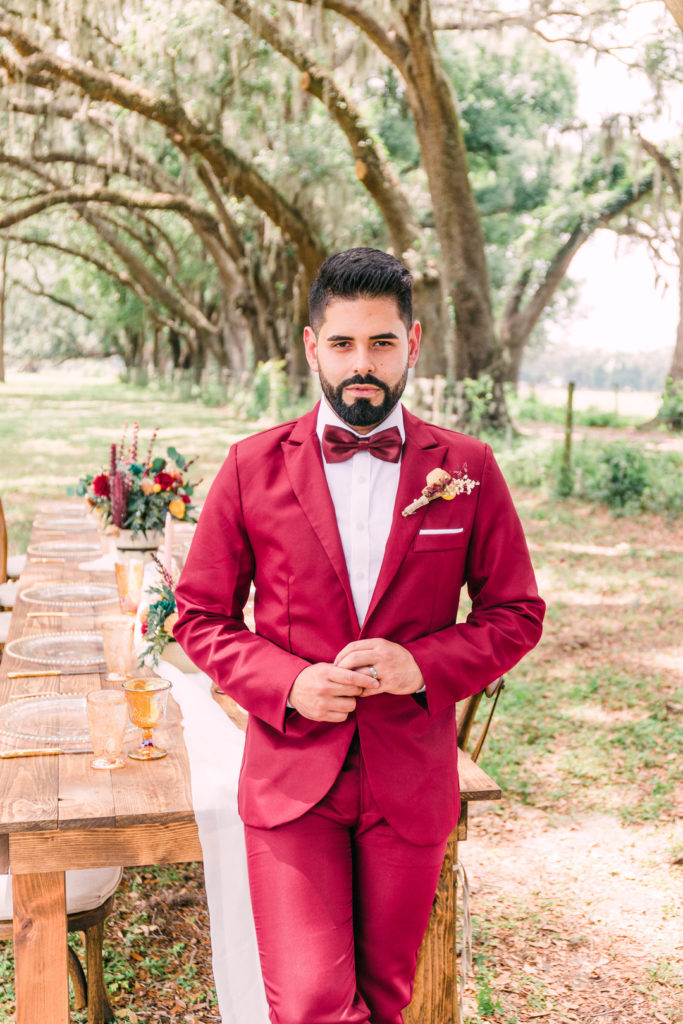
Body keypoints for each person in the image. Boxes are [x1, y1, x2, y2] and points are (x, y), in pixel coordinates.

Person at [174, 247, 545, 1024]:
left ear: (411, 345)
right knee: (311, 1000)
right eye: (342, 344)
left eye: (380, 343)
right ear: (312, 348)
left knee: (385, 998)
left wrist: (420, 665)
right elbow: (200, 615)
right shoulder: (249, 468)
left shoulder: (467, 468)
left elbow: (515, 612)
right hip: (291, 779)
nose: (361, 365)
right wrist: (287, 682)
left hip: (409, 777)